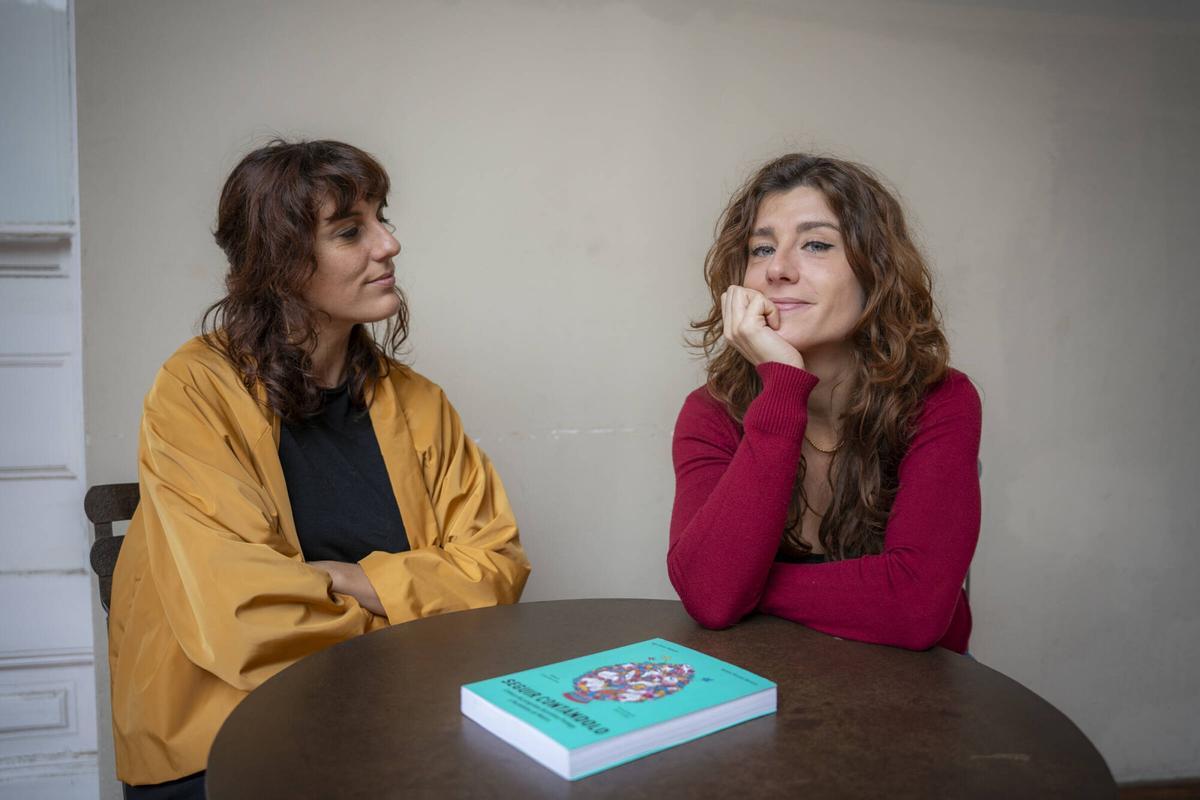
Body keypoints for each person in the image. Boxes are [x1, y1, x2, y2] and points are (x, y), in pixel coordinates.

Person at [108, 140, 531, 798]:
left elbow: (496, 569)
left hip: (397, 723)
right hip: (224, 736)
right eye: (350, 231)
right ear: (278, 263)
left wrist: (350, 577)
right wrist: (408, 609)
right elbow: (244, 614)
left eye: (381, 219)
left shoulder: (418, 402)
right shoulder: (194, 388)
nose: (388, 245)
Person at [668, 153, 980, 652]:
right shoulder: (712, 412)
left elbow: (915, 608)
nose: (778, 269)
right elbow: (709, 596)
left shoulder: (942, 399)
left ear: (874, 272)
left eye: (816, 244)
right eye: (760, 248)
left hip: (918, 699)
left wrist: (747, 588)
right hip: (770, 685)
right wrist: (783, 386)